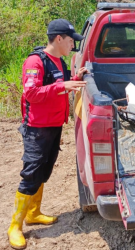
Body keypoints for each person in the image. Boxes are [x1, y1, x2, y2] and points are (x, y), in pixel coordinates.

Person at [7, 19, 88, 249]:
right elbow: (32, 93)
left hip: (54, 126)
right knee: (31, 173)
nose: (73, 45)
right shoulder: (36, 61)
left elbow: (60, 85)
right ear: (59, 38)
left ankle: (33, 212)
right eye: (71, 40)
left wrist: (75, 79)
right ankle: (15, 226)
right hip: (37, 128)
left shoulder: (60, 62)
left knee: (45, 169)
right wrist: (63, 87)